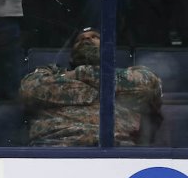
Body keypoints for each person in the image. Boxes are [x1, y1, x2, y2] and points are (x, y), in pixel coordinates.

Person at [20, 27, 163, 146]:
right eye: (79, 40)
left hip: (116, 150)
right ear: (70, 56)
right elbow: (29, 91)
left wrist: (78, 76)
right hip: (55, 146)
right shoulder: (49, 72)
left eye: (94, 37)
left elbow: (148, 86)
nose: (86, 39)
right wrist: (104, 88)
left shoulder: (133, 73)